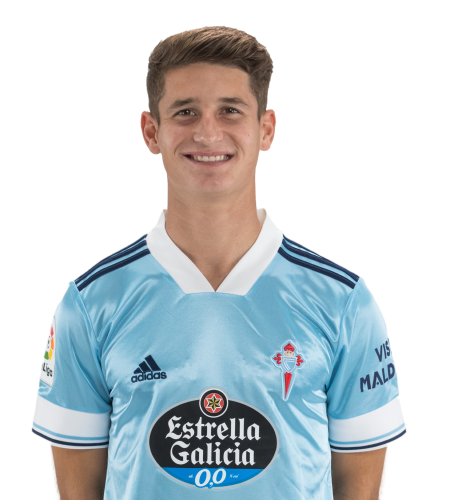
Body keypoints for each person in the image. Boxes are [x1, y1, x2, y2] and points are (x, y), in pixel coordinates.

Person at [31, 25, 406, 499]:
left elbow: (361, 483)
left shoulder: (344, 301)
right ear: (151, 131)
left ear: (266, 129)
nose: (207, 133)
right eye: (185, 112)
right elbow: (77, 488)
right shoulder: (90, 303)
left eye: (230, 110)